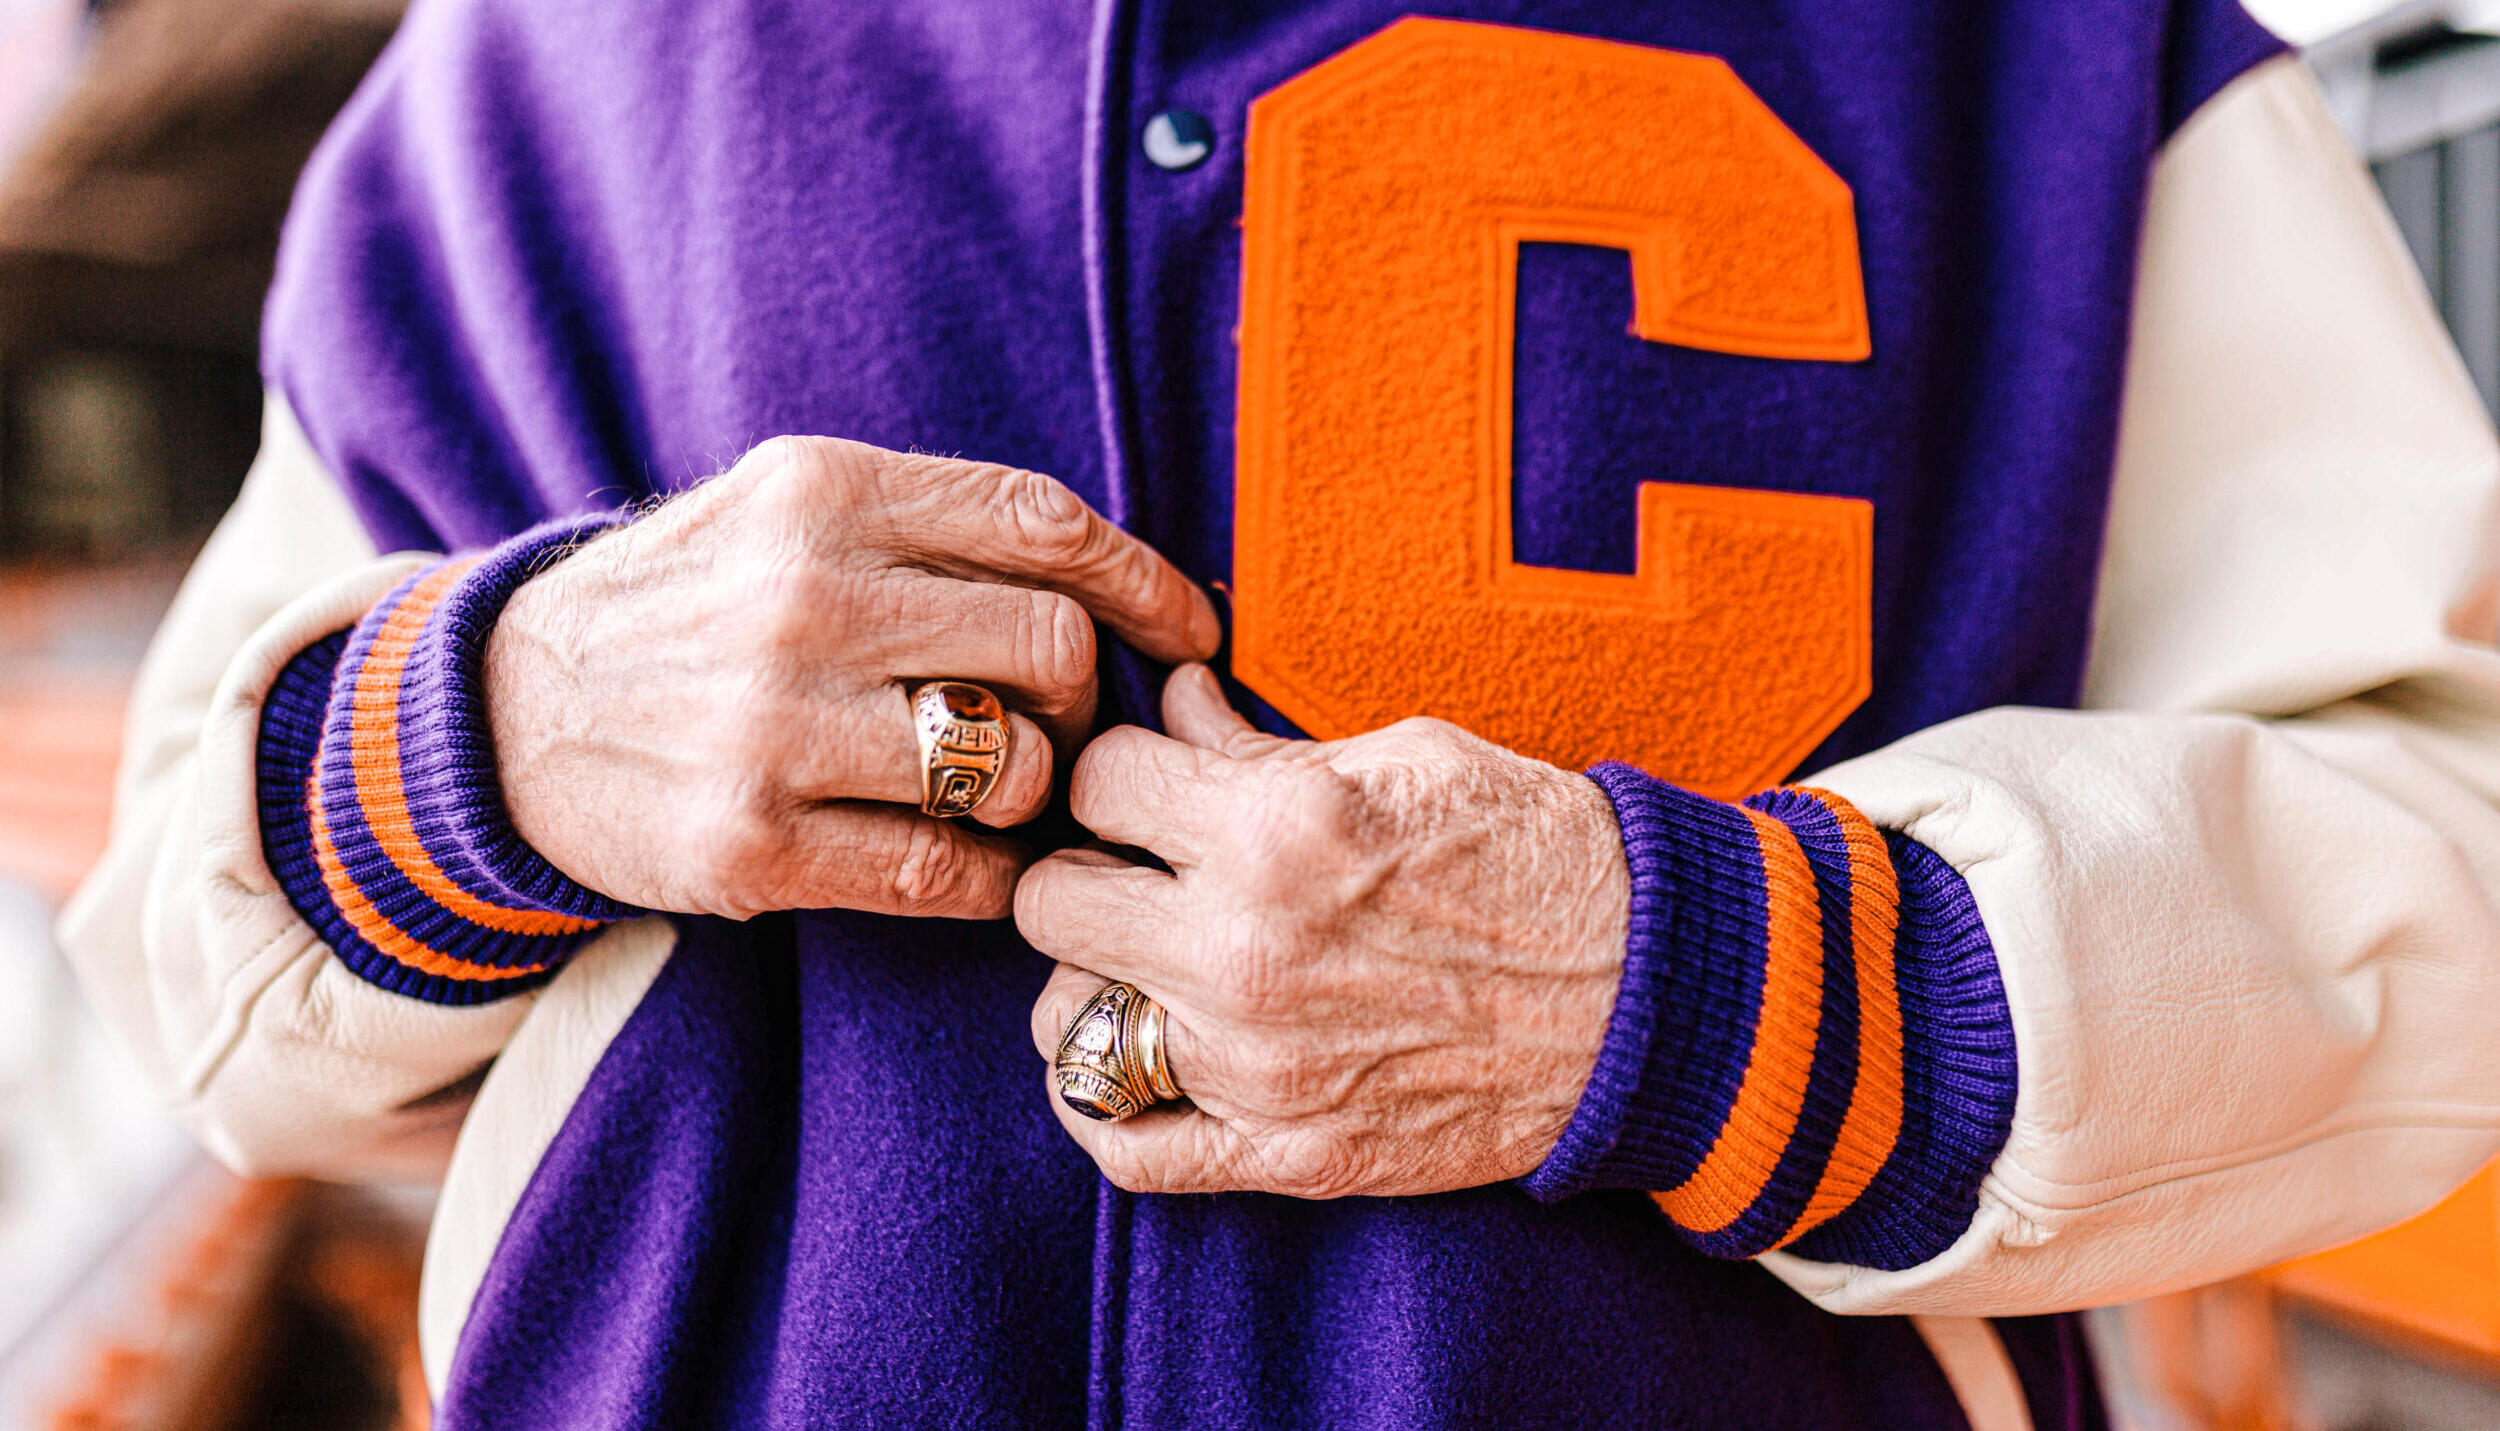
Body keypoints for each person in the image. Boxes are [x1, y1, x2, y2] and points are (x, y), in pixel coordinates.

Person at [56, 1, 2500, 1425]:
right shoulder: (533, 65)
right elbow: (188, 945)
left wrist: (1701, 995)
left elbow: (2448, 850)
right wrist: (500, 724)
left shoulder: (2071, 48)